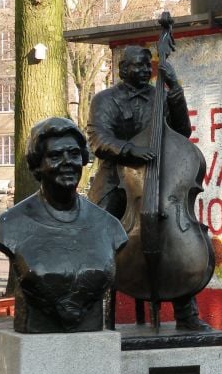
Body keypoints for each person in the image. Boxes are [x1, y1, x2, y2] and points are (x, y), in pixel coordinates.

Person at [87, 44, 212, 331]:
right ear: (122, 69)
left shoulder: (160, 96)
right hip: (117, 175)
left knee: (174, 237)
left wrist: (176, 90)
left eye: (147, 65)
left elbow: (182, 131)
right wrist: (129, 150)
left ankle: (185, 312)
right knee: (97, 230)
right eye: (137, 66)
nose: (144, 71)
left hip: (160, 176)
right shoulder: (105, 100)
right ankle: (98, 310)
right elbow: (97, 138)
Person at [0, 117, 128, 334]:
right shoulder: (9, 226)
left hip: (91, 333)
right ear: (36, 167)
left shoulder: (108, 225)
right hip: (36, 329)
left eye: (73, 154)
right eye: (55, 156)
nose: (67, 162)